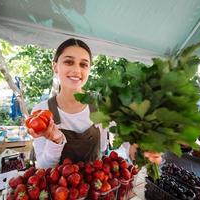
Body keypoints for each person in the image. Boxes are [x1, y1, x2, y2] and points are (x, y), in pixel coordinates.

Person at [28, 38, 161, 168]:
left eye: (83, 64)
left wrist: (142, 152)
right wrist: (55, 141)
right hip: (58, 189)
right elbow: (43, 168)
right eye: (69, 62)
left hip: (99, 188)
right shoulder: (41, 112)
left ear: (89, 69)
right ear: (55, 67)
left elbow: (128, 143)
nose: (76, 70)